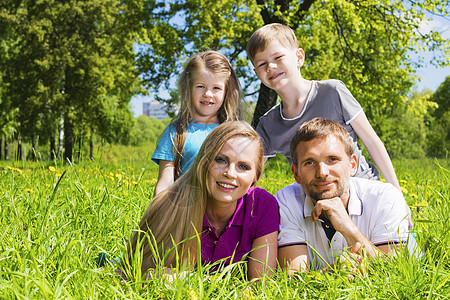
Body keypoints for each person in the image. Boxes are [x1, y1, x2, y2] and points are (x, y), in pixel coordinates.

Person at [246, 23, 401, 191]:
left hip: (360, 187)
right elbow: (251, 170)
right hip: (318, 195)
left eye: (278, 57)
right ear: (256, 73)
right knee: (286, 197)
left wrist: (396, 193)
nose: (271, 67)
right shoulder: (269, 124)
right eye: (262, 64)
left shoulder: (332, 92)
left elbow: (371, 141)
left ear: (299, 57)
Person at [126, 121, 279, 280]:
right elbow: (139, 273)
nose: (230, 173)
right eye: (221, 160)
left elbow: (261, 283)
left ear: (256, 176)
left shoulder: (263, 205)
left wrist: (185, 278)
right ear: (204, 161)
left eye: (244, 167)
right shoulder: (171, 202)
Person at [276, 118, 410, 274]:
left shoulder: (385, 197)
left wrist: (348, 228)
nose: (322, 172)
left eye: (332, 159)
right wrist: (332, 273)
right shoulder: (287, 200)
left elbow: (396, 274)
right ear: (296, 173)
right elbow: (292, 278)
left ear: (353, 165)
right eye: (310, 163)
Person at [152, 50, 242, 196]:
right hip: (185, 210)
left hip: (223, 213)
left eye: (216, 88)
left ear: (227, 92)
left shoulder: (233, 133)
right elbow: (164, 183)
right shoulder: (176, 132)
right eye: (201, 86)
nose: (208, 94)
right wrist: (158, 214)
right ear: (189, 88)